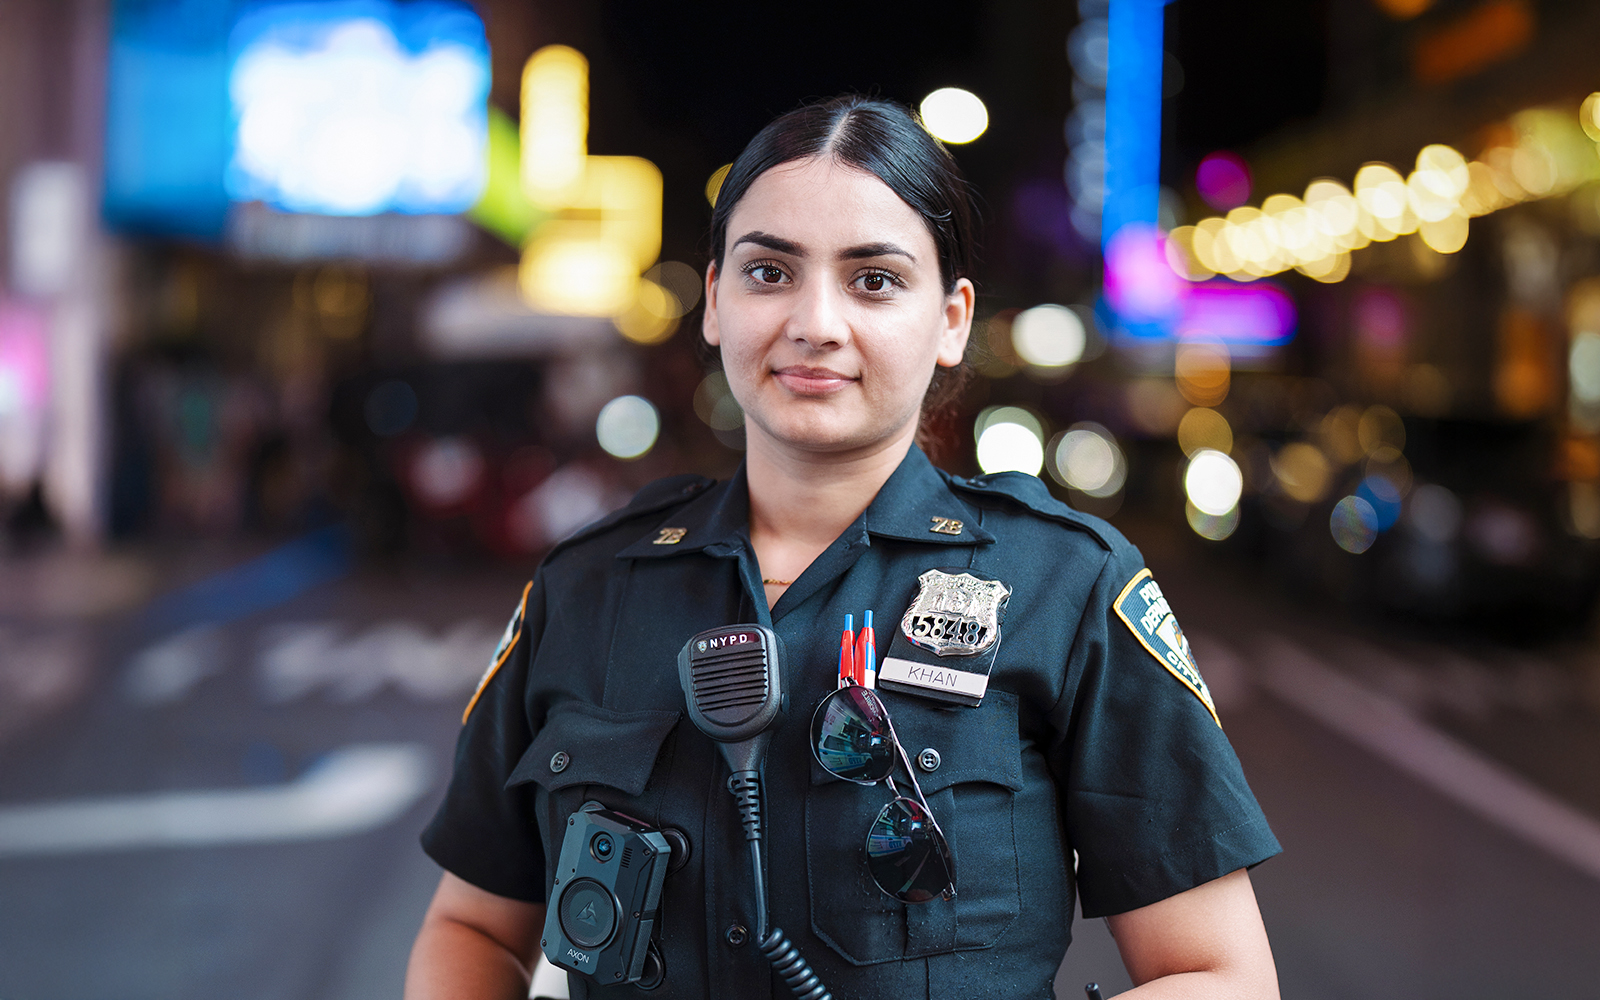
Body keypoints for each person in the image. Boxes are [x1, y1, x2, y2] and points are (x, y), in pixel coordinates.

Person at [405, 95, 1281, 1000]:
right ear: (713, 302)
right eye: (769, 272)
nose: (815, 322)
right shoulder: (585, 587)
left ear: (950, 319)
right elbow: (471, 926)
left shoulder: (1064, 585)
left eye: (873, 280)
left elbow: (1218, 973)